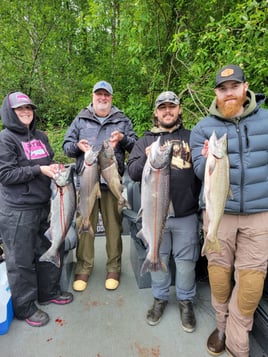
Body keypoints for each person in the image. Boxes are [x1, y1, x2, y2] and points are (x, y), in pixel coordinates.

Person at [190, 64, 268, 357]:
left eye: (234, 86)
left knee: (251, 283)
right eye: (223, 89)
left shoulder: (267, 120)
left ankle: (238, 337)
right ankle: (221, 325)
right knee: (219, 276)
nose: (229, 93)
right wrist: (207, 161)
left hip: (260, 215)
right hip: (217, 213)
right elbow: (199, 171)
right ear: (216, 94)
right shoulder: (202, 128)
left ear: (245, 88)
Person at [127, 91, 201, 332]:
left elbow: (203, 172)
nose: (167, 111)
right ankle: (159, 299)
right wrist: (145, 159)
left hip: (186, 214)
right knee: (156, 257)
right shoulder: (145, 141)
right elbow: (134, 172)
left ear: (179, 110)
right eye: (163, 108)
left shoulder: (192, 137)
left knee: (186, 263)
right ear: (156, 113)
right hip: (153, 216)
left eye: (172, 106)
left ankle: (185, 301)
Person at [0, 92, 73, 328]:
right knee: (20, 260)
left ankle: (48, 291)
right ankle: (25, 307)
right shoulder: (5, 139)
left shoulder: (41, 136)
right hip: (17, 210)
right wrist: (39, 170)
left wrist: (53, 169)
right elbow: (5, 174)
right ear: (10, 113)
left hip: (45, 205)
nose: (26, 112)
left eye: (29, 108)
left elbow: (46, 163)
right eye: (20, 109)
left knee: (49, 248)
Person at [63, 80, 137, 292]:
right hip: (87, 181)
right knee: (85, 224)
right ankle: (83, 268)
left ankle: (114, 267)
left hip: (111, 182)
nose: (102, 98)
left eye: (106, 95)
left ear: (111, 98)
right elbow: (67, 146)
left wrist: (123, 139)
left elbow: (135, 144)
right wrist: (77, 147)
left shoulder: (122, 119)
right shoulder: (81, 118)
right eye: (99, 94)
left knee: (114, 226)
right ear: (93, 96)